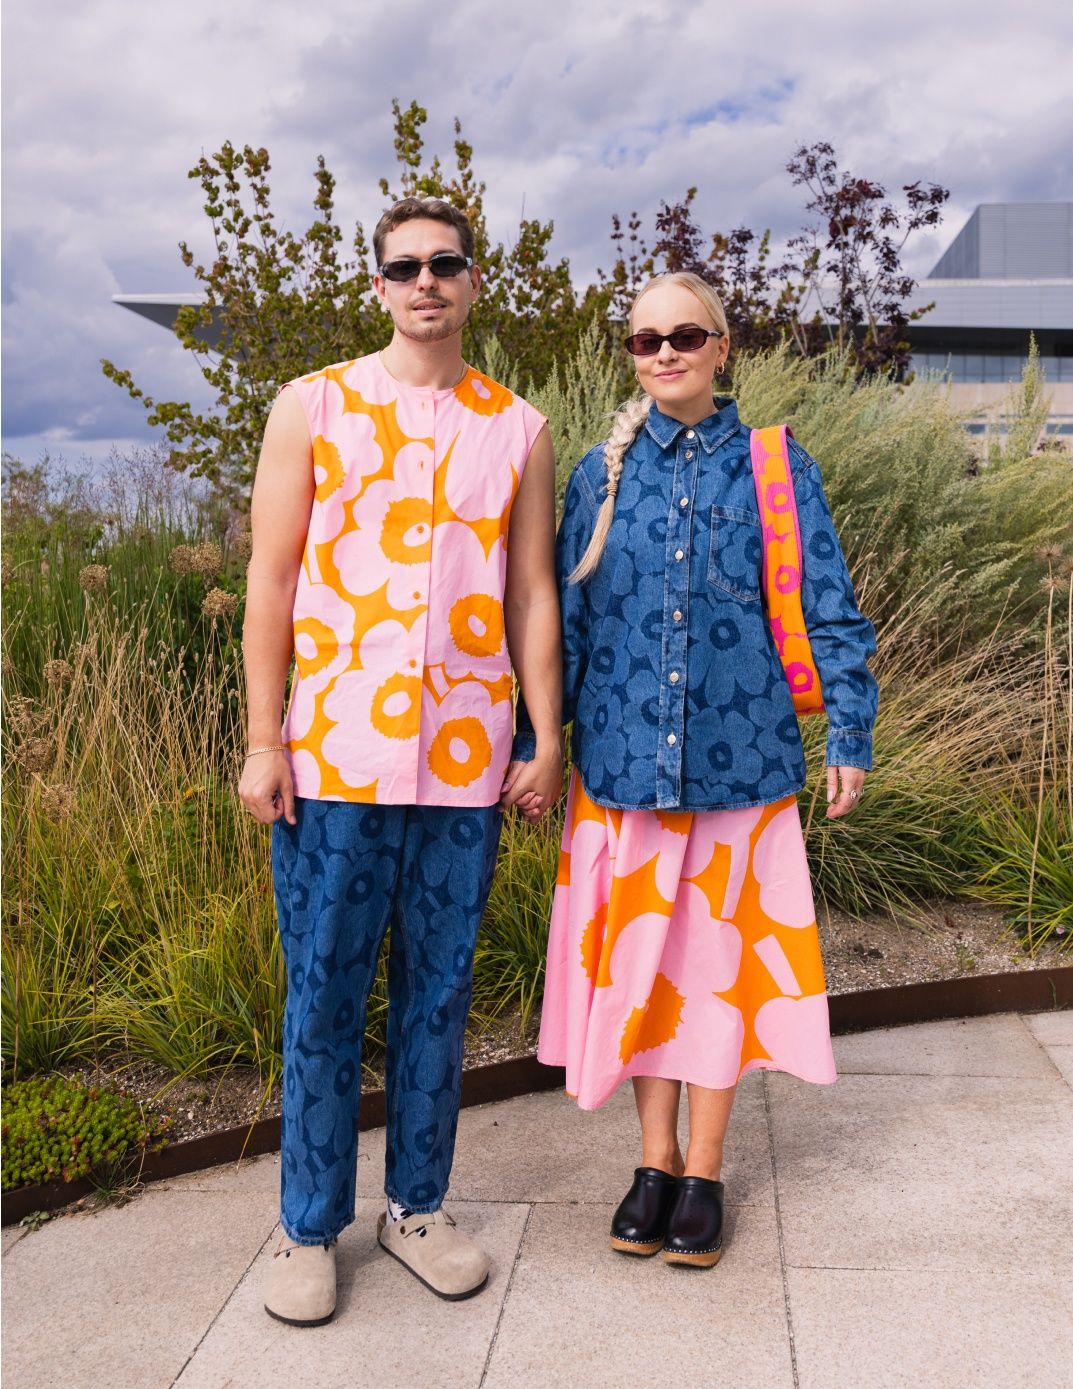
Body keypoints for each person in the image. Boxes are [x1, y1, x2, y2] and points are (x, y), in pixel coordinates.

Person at [240, 195, 563, 1325]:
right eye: (404, 265)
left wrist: (545, 732)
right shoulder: (312, 405)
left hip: (464, 764)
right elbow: (270, 585)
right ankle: (306, 1223)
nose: (426, 280)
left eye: (446, 262)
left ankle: (416, 1207)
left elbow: (530, 592)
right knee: (323, 990)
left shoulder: (517, 427)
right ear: (377, 285)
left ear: (474, 280)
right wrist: (260, 738)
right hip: (331, 759)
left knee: (439, 993)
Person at [517, 270, 878, 1269]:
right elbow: (568, 626)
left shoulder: (773, 468)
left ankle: (704, 1170)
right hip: (623, 769)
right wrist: (534, 742)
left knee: (714, 977)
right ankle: (651, 1160)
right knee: (641, 970)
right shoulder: (599, 472)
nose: (663, 352)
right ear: (629, 355)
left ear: (722, 348)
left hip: (742, 768)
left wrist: (847, 730)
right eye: (643, 340)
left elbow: (831, 605)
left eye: (683, 335)